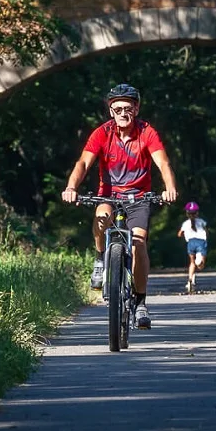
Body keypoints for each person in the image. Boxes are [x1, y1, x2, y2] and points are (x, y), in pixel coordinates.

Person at [60, 84, 178, 329]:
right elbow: (83, 163)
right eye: (117, 109)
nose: (123, 113)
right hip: (109, 195)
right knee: (102, 217)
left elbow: (163, 163)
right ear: (110, 111)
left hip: (139, 197)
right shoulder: (102, 133)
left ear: (136, 109)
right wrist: (71, 187)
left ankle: (141, 303)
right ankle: (100, 258)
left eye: (128, 108)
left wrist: (169, 187)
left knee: (138, 243)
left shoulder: (147, 132)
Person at [178, 201, 208, 293]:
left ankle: (190, 279)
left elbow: (179, 234)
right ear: (197, 212)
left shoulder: (185, 223)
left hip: (190, 242)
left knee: (191, 263)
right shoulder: (202, 222)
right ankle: (199, 262)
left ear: (187, 213)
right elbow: (206, 231)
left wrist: (184, 234)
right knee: (201, 265)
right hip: (201, 242)